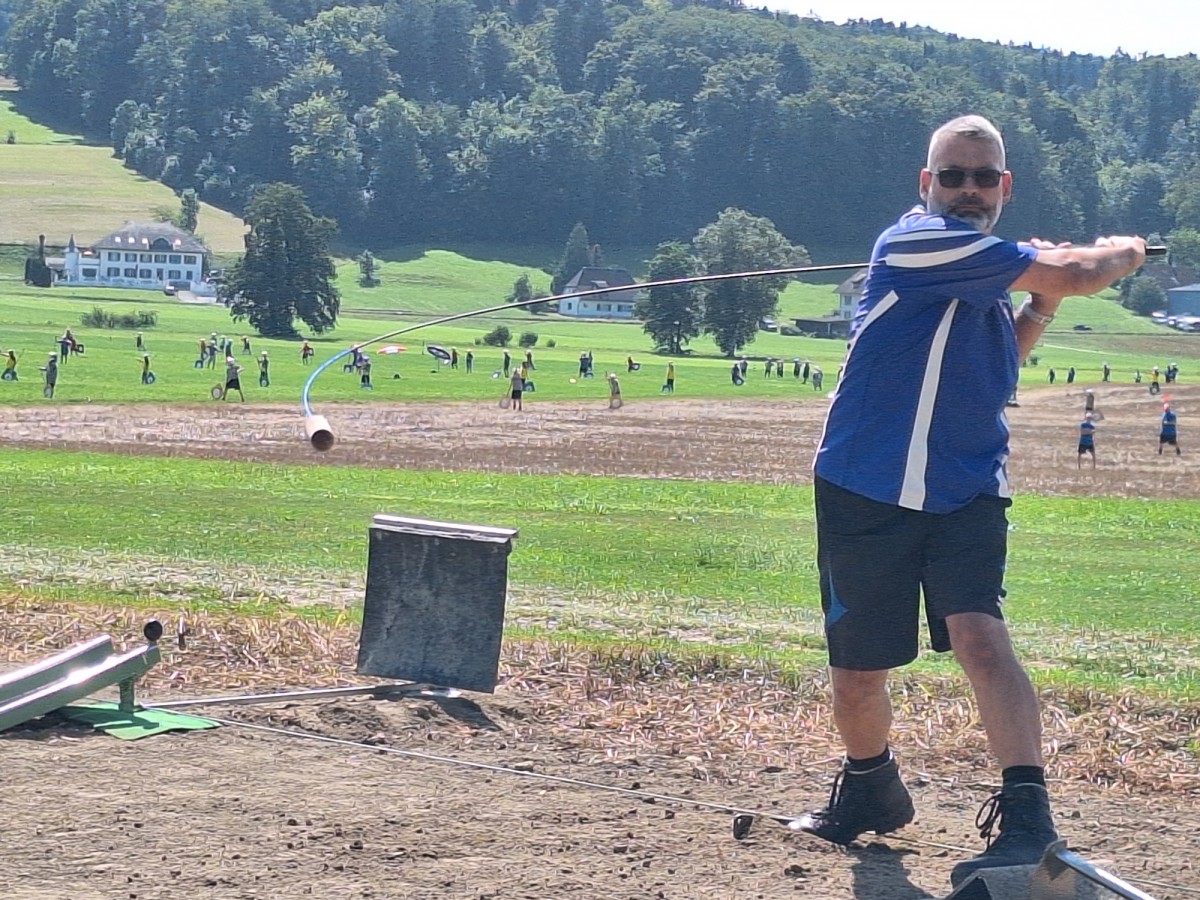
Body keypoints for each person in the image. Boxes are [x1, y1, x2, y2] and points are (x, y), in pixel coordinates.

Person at [802, 115, 1146, 887]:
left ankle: (1028, 817)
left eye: (982, 177)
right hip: (868, 483)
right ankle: (869, 785)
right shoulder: (918, 242)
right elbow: (1082, 272)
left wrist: (1040, 301)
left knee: (982, 640)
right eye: (952, 176)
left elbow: (1000, 362)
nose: (967, 189)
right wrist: (1123, 251)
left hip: (965, 485)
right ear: (927, 184)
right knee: (858, 672)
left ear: (1004, 187)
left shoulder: (986, 269)